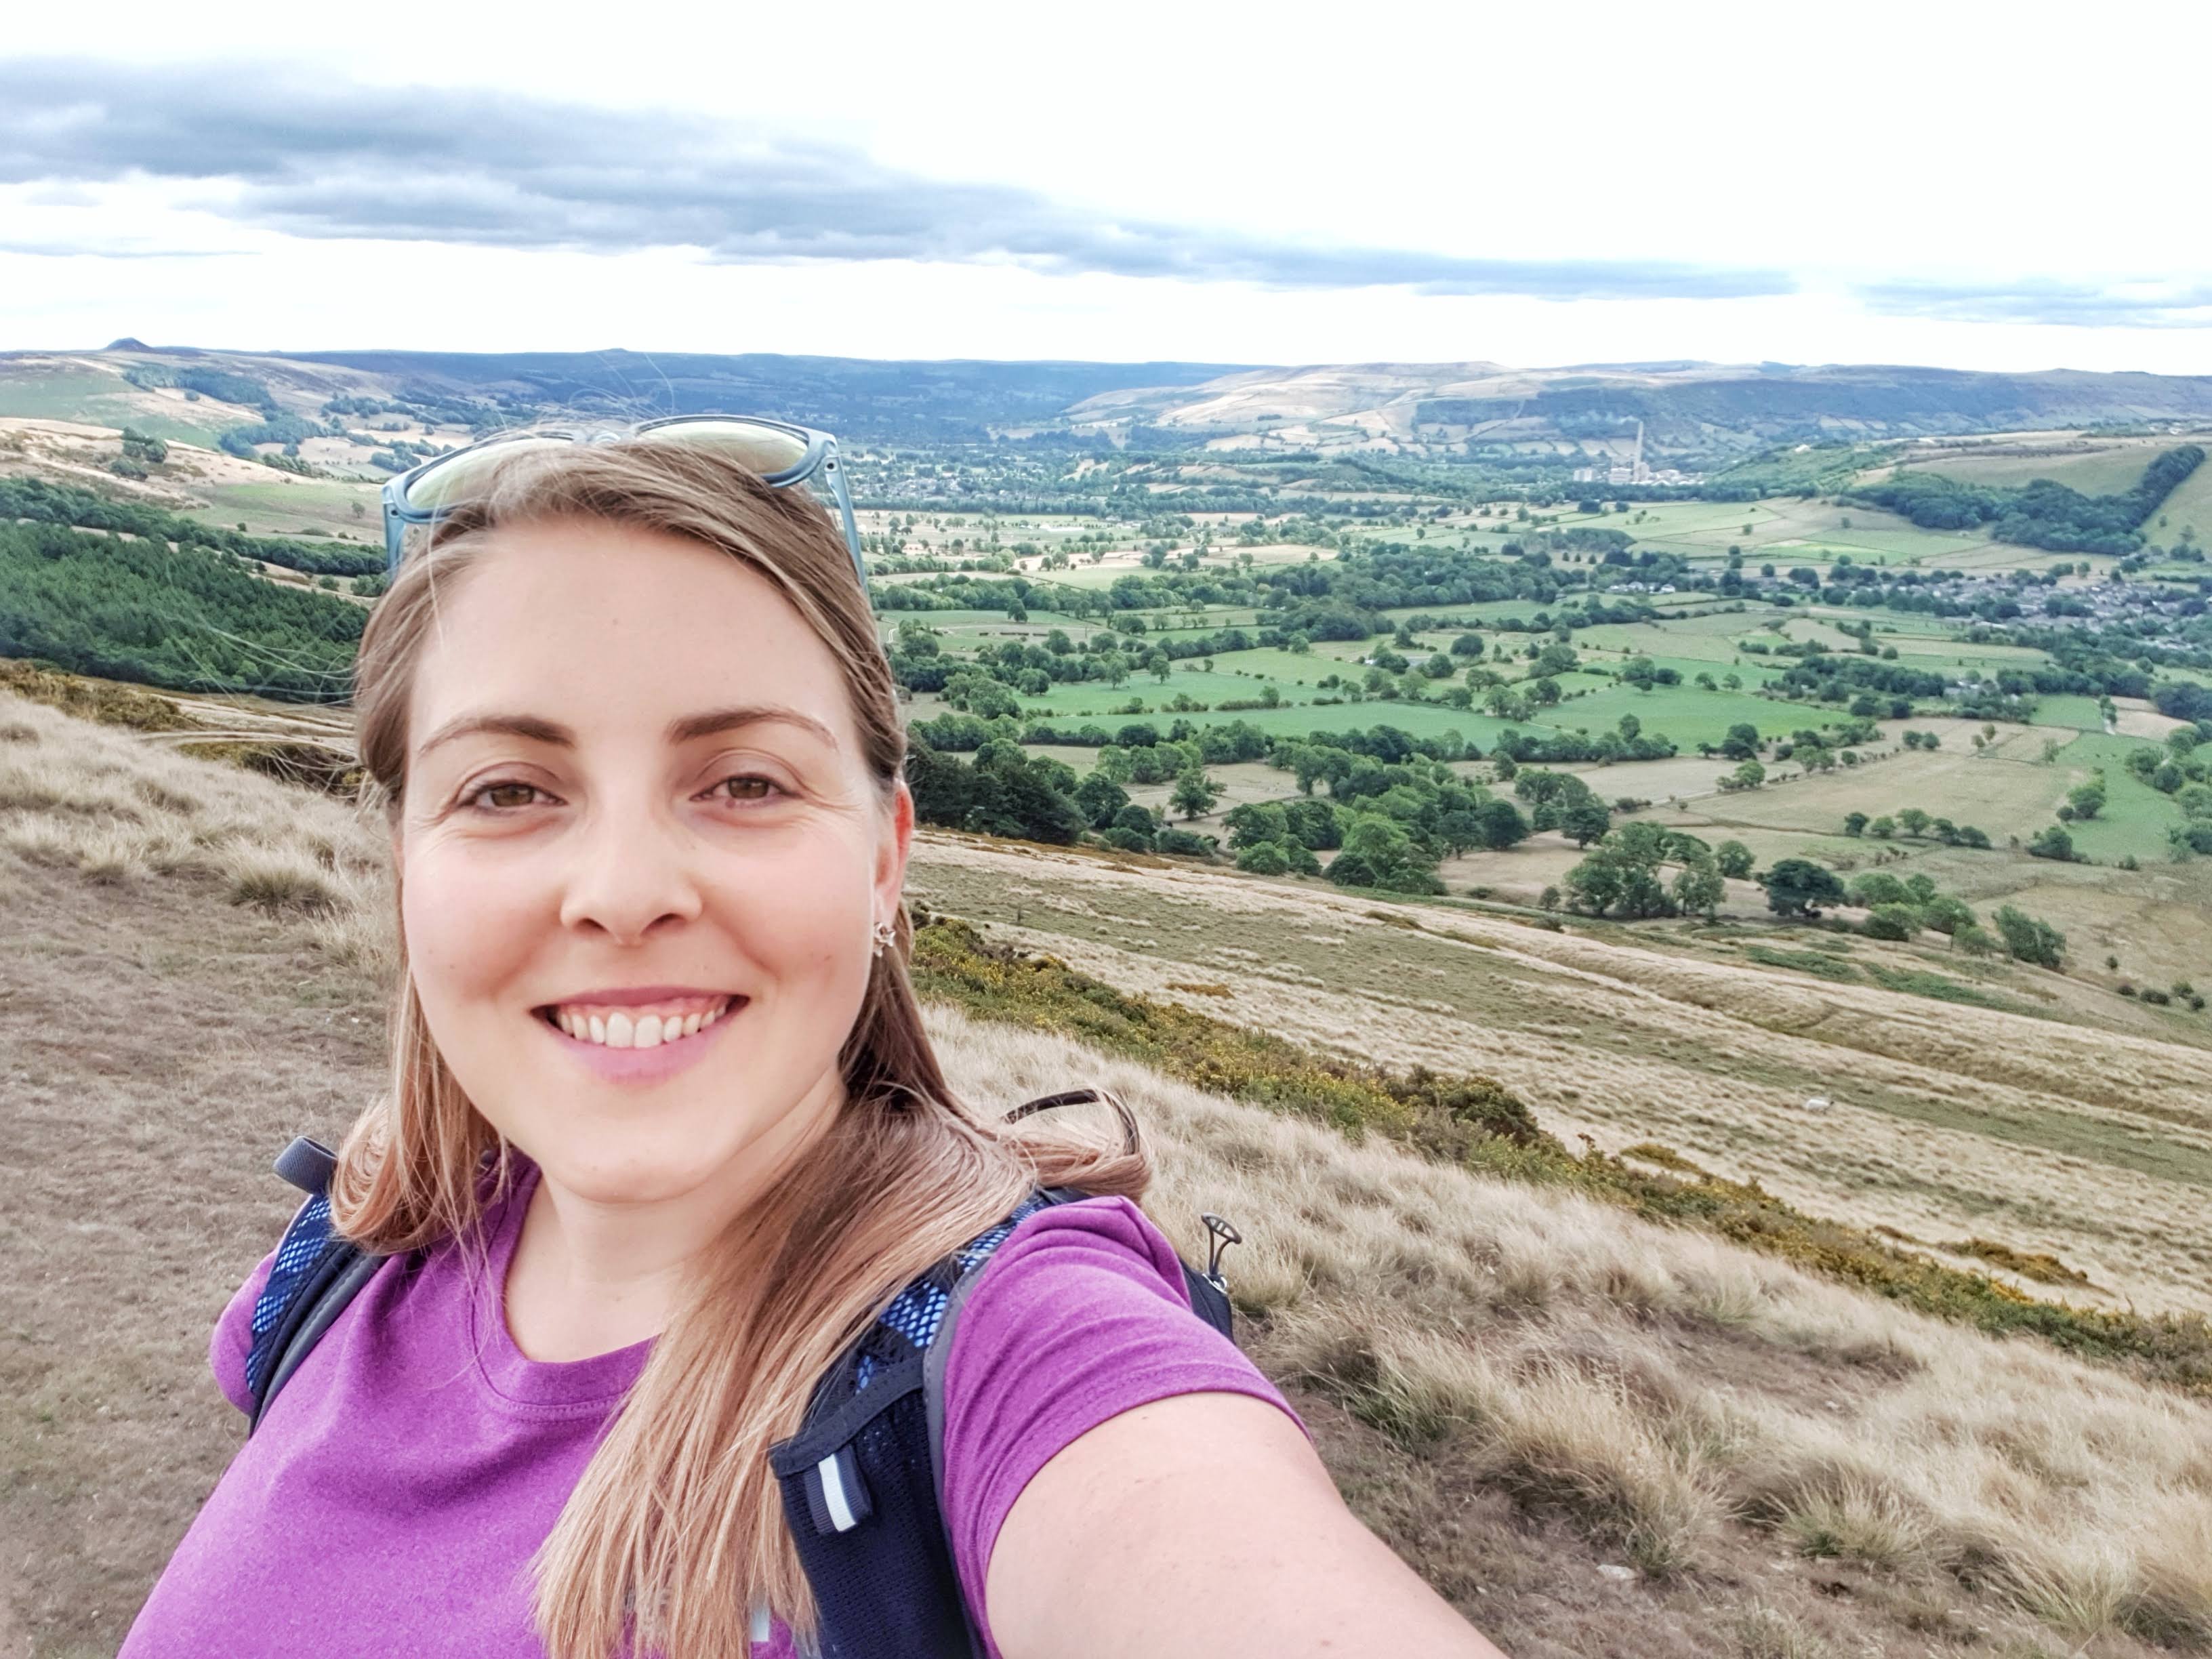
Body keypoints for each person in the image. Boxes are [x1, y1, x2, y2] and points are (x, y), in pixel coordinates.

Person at [119, 431, 1507, 1659]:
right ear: (409, 860)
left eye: (743, 782)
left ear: (886, 861)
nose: (621, 889)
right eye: (507, 789)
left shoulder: (1008, 1360)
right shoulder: (343, 1265)